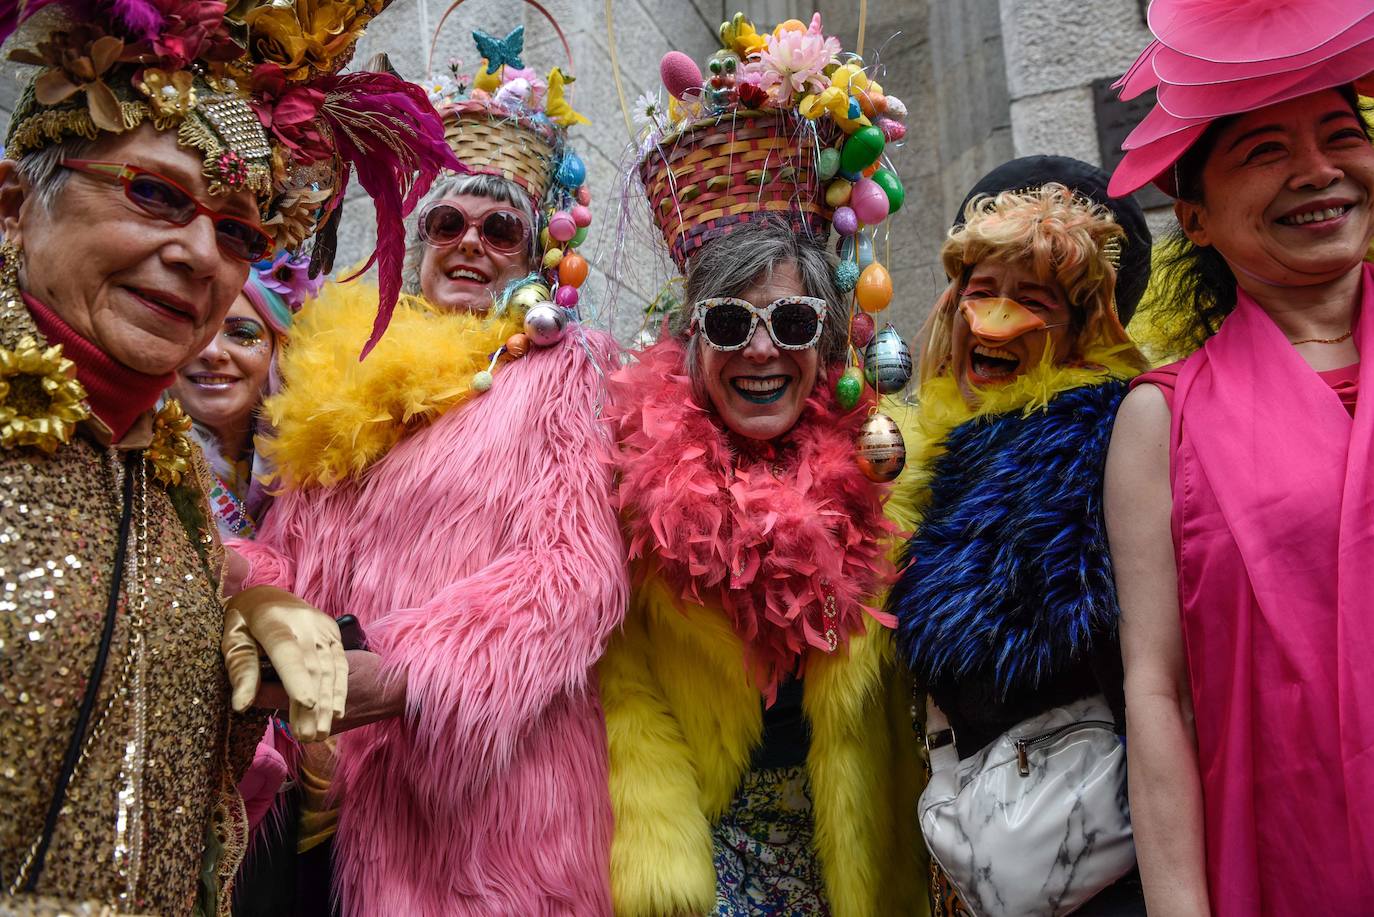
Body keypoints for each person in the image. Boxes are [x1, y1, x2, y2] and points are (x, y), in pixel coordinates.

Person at [0, 0, 452, 911]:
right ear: (15, 207)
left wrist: (241, 625)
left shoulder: (159, 476)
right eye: (156, 195)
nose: (203, 256)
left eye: (240, 232)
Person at [228, 25, 626, 915]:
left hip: (487, 803)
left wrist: (407, 676)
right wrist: (264, 609)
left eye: (500, 229)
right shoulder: (351, 366)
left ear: (532, 255)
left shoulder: (563, 372)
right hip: (325, 787)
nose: (470, 244)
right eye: (446, 223)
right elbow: (288, 543)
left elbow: (572, 575)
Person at [601, 13, 924, 915]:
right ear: (692, 340)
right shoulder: (625, 482)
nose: (761, 353)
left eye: (790, 324)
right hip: (703, 861)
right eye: (730, 325)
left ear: (829, 341)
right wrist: (661, 865)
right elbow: (617, 688)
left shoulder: (892, 472)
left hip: (858, 860)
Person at [1105, 2, 1374, 913]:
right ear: (1196, 217)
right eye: (1265, 151)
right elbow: (1159, 696)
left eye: (1342, 133)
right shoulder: (1160, 421)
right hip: (1288, 863)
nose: (1320, 171)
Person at [885, 170, 1150, 916]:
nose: (993, 322)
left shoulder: (1092, 446)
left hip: (1104, 866)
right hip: (1009, 854)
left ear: (1080, 331)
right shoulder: (948, 448)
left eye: (1033, 301)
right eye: (981, 291)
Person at [169, 253, 320, 540]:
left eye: (241, 333)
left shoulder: (321, 468)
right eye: (195, 328)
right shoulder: (132, 459)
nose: (212, 352)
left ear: (280, 352)